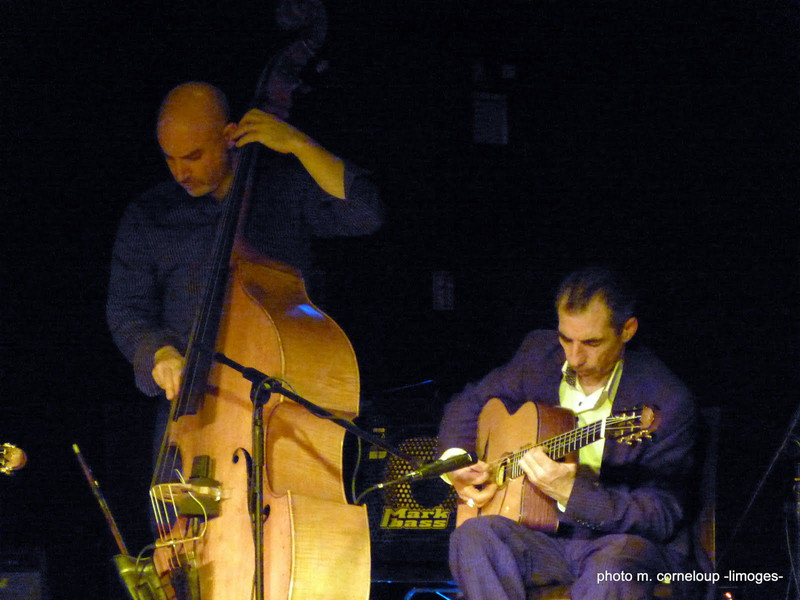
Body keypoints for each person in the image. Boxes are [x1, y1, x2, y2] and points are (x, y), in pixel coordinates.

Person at [106, 81, 383, 401]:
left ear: (229, 136)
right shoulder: (148, 215)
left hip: (286, 393)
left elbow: (365, 214)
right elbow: (127, 308)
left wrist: (299, 144)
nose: (181, 173)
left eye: (194, 157)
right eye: (170, 158)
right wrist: (160, 352)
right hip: (192, 404)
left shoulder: (282, 188)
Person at [437, 267, 702, 600]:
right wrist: (458, 462)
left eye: (592, 342)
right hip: (541, 539)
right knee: (473, 537)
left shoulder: (664, 400)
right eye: (566, 339)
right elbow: (469, 401)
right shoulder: (538, 356)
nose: (575, 357)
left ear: (627, 330)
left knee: (612, 571)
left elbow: (662, 513)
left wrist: (571, 492)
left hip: (617, 543)